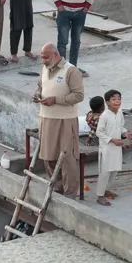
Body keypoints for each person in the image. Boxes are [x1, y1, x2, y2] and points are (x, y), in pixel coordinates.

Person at [32, 43, 84, 196]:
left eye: (46, 57)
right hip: (46, 118)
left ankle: (70, 193)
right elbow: (40, 86)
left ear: (55, 55)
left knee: (68, 158)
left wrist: (56, 99)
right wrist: (37, 95)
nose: (43, 61)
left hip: (65, 120)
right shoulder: (44, 68)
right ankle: (58, 188)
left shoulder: (71, 71)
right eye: (42, 57)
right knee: (48, 157)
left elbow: (78, 95)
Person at [95, 89, 132, 206]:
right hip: (106, 148)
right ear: (107, 102)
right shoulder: (104, 116)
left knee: (114, 170)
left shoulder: (120, 113)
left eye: (119, 99)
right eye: (114, 99)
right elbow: (99, 132)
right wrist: (111, 140)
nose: (117, 101)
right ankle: (100, 196)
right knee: (105, 172)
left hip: (117, 147)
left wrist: (126, 133)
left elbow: (121, 127)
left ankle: (105, 189)